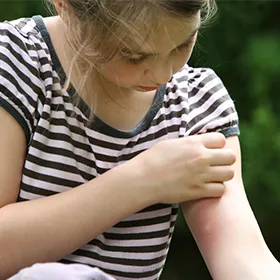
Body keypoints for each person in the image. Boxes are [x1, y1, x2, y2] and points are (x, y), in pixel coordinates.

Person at [0, 0, 279, 279]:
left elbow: (244, 260)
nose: (163, 74)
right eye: (133, 57)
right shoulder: (16, 60)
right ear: (65, 7)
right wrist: (144, 180)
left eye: (182, 44)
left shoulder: (196, 103)